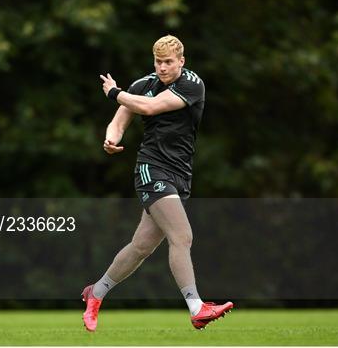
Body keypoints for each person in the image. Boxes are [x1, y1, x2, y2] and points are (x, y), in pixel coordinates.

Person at [82, 35, 233, 331]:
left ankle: (95, 293)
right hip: (152, 169)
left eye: (168, 62)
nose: (162, 68)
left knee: (141, 247)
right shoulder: (142, 85)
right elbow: (121, 118)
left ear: (181, 61)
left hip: (180, 172)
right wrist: (112, 137)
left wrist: (114, 92)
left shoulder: (192, 84)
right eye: (158, 62)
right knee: (182, 235)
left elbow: (150, 107)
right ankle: (196, 307)